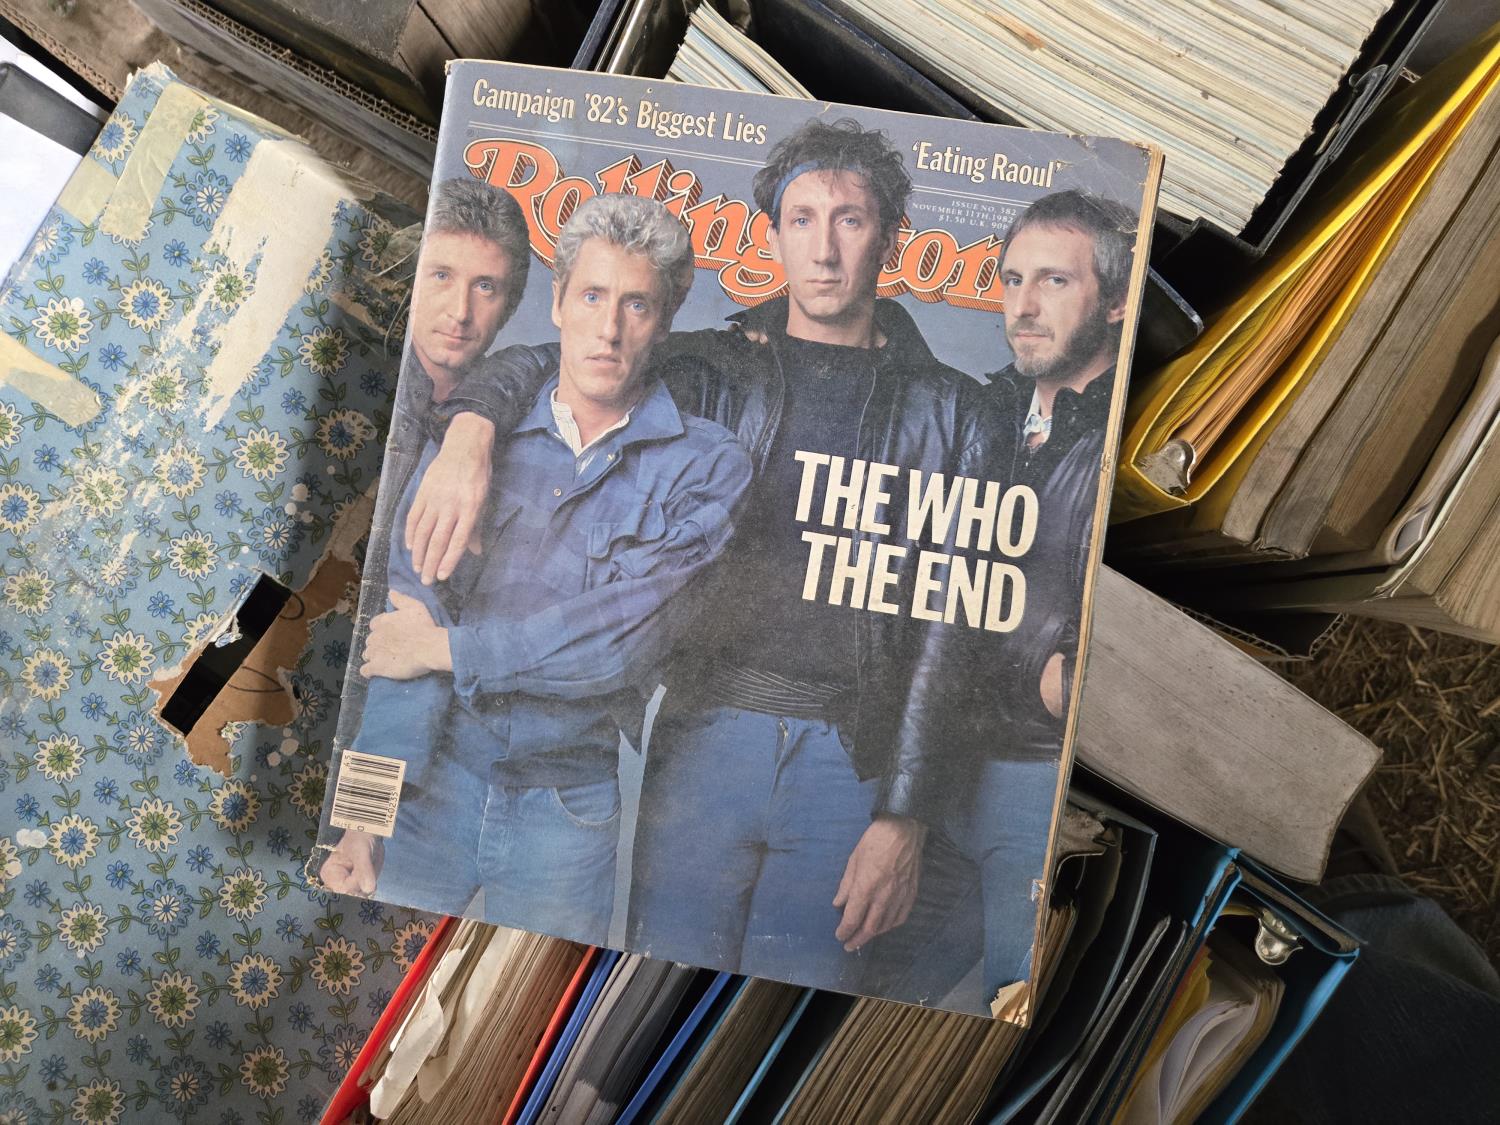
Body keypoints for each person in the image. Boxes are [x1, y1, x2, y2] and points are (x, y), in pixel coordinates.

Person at [407, 117, 1010, 997]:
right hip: (704, 733)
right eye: (802, 219)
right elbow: (566, 354)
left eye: (849, 220)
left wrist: (906, 814)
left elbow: (954, 625)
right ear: (774, 235)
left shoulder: (955, 411)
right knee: (645, 992)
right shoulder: (711, 368)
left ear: (890, 237)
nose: (825, 249)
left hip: (853, 759)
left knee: (779, 1001)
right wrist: (470, 428)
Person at [320, 193, 751, 948]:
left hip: (565, 815)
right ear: (556, 303)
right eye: (592, 297)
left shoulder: (708, 466)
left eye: (637, 305)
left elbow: (618, 645)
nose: (609, 329)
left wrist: (447, 650)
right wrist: (361, 818)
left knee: (520, 998)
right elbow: (402, 631)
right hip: (427, 788)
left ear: (666, 319)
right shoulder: (473, 439)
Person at [869, 189, 1138, 1009]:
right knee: (874, 1006)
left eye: (1054, 281)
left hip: (1032, 779)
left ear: (1116, 301)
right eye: (1012, 279)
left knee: (1014, 1007)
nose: (1022, 306)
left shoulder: (1127, 438)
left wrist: (1050, 678)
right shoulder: (984, 413)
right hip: (940, 773)